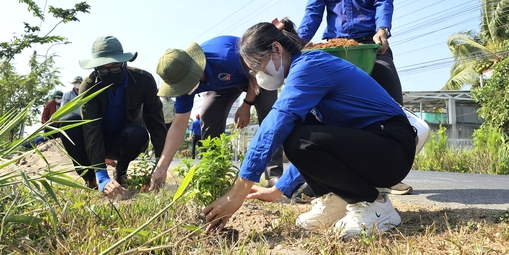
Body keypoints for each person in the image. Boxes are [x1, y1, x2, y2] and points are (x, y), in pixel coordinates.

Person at [201, 19, 416, 238]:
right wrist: (278, 189)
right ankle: (336, 201)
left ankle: (376, 206)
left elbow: (278, 125)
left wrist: (238, 191)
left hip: (392, 146)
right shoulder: (303, 71)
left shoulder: (309, 65)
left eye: (257, 66)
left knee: (296, 136)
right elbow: (320, 141)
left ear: (277, 48)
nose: (257, 76)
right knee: (298, 130)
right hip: (375, 144)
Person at [296, 0, 412, 196]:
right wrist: (297, 43)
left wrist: (382, 29)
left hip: (371, 46)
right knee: (318, 109)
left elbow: (384, 0)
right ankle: (323, 176)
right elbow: (313, 13)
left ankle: (390, 170)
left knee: (390, 101)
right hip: (334, 50)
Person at [148, 35, 282, 190]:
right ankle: (215, 173)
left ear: (195, 71)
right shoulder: (182, 84)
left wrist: (246, 105)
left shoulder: (226, 57)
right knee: (208, 116)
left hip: (256, 75)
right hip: (224, 85)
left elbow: (257, 73)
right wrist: (162, 167)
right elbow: (178, 126)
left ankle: (274, 175)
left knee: (269, 114)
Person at [60, 36, 167, 195]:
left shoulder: (143, 81)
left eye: (116, 68)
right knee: (68, 123)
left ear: (125, 63)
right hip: (97, 140)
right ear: (96, 68)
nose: (110, 73)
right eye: (103, 69)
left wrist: (161, 164)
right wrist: (102, 176)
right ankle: (90, 179)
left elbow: (156, 122)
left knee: (137, 133)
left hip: (125, 139)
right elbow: (91, 129)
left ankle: (120, 172)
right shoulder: (89, 85)